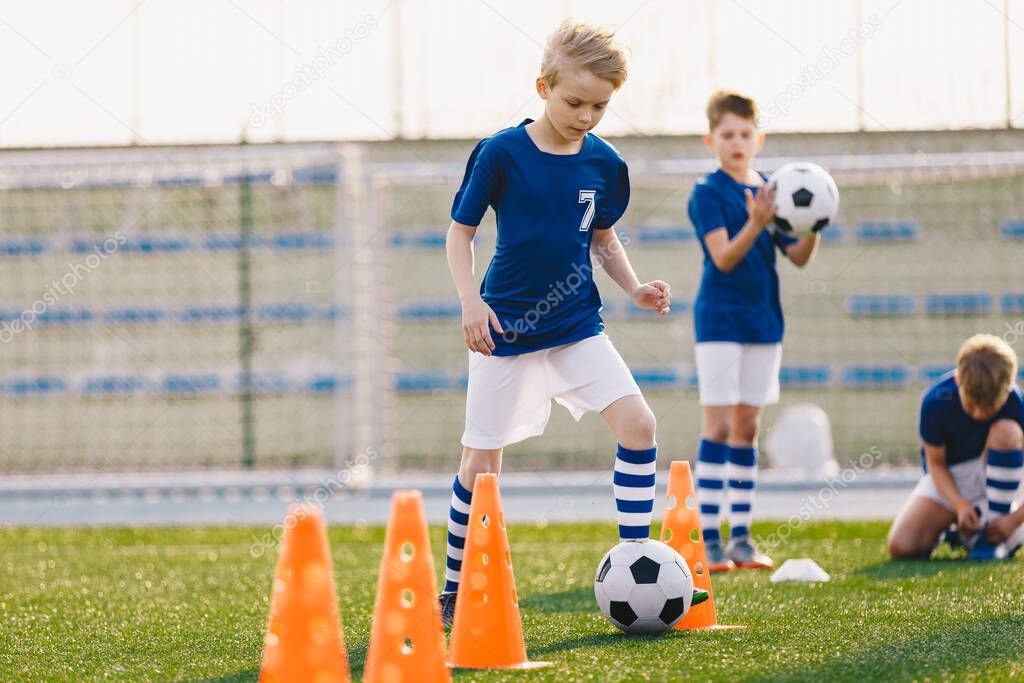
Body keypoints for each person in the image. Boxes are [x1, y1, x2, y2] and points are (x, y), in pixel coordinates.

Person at [439, 19, 690, 628]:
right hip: (506, 332)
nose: (585, 115)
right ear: (543, 87)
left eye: (599, 106)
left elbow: (602, 238)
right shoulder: (501, 152)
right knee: (482, 465)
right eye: (573, 101)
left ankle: (636, 556)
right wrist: (472, 302)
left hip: (578, 326)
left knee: (639, 423)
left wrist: (633, 286)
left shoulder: (605, 163)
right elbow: (460, 234)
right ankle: (455, 586)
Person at [687, 90, 821, 571]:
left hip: (764, 323)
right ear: (711, 140)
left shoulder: (773, 190)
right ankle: (709, 539)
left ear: (758, 138)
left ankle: (742, 538)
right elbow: (723, 257)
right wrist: (756, 220)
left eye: (745, 134)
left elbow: (799, 256)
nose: (737, 142)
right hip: (720, 322)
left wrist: (813, 221)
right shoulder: (707, 193)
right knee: (718, 425)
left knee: (747, 427)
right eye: (727, 135)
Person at [888, 334, 1024, 560]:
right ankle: (964, 534)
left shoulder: (1017, 404)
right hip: (952, 478)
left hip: (1003, 476)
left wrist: (1014, 519)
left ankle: (991, 538)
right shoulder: (936, 401)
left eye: (989, 407)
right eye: (972, 405)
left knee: (1007, 432)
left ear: (1008, 388)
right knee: (903, 546)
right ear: (958, 379)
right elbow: (936, 464)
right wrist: (959, 505)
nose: (980, 415)